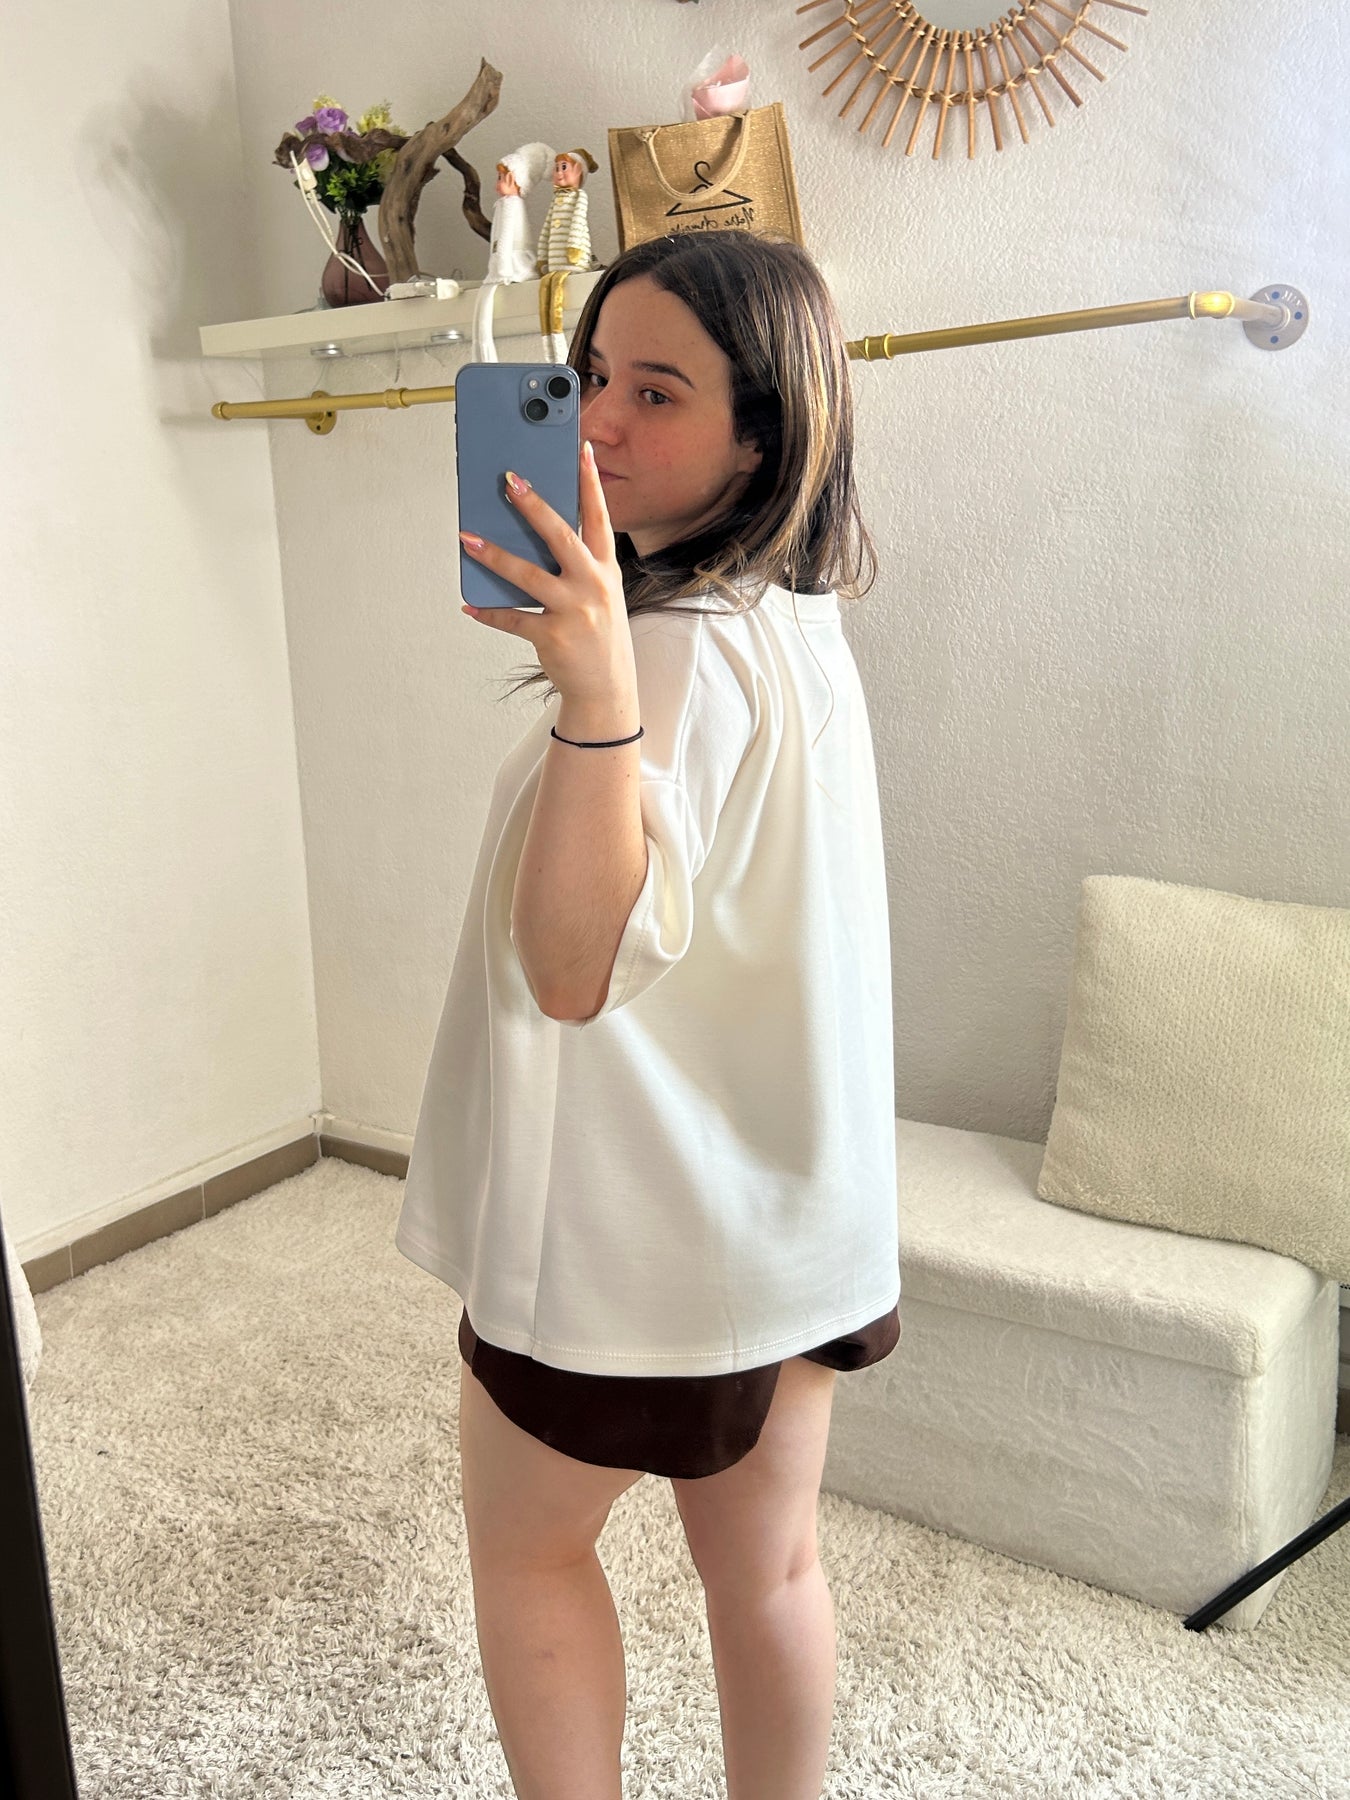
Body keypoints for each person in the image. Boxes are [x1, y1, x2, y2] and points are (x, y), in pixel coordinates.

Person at [395, 228, 901, 1800]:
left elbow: (572, 970)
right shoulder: (794, 621)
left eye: (657, 392)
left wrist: (598, 699)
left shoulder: (666, 655)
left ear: (762, 434)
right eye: (590, 376)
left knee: (531, 1558)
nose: (599, 423)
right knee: (771, 1569)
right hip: (790, 1215)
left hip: (629, 1235)